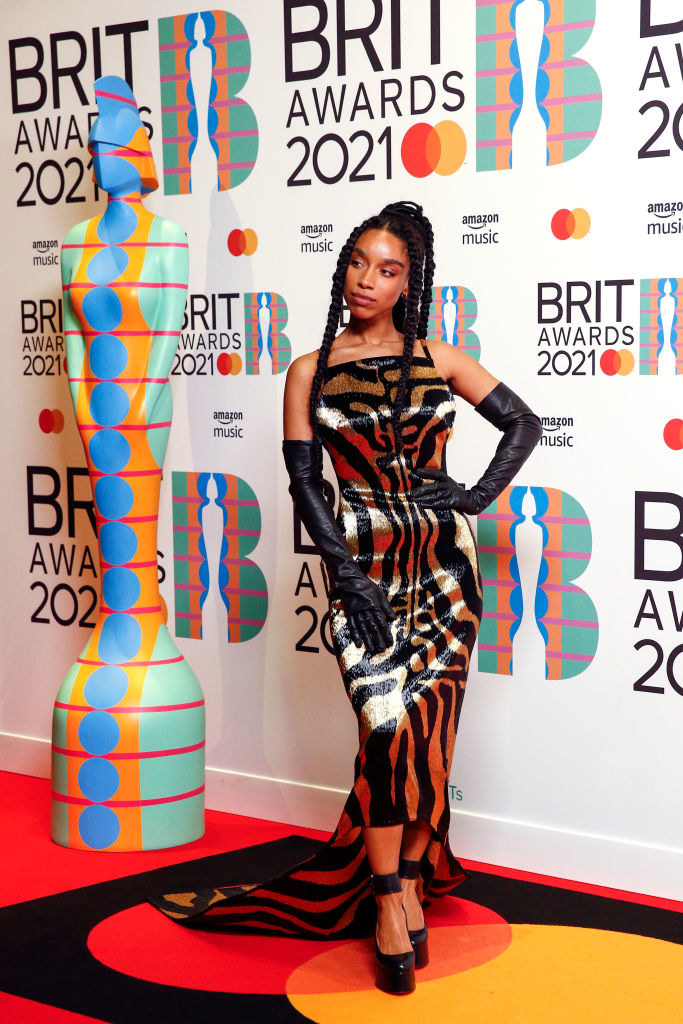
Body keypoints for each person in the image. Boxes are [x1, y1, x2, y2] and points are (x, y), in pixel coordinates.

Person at [150, 200, 542, 996]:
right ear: (343, 269)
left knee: (423, 735)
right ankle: (391, 899)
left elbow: (521, 425)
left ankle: (403, 886)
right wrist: (349, 577)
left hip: (443, 573)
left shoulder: (438, 357)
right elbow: (303, 486)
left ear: (409, 281)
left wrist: (469, 500)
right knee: (384, 725)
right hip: (358, 562)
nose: (369, 279)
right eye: (359, 262)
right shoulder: (309, 369)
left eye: (387, 269)